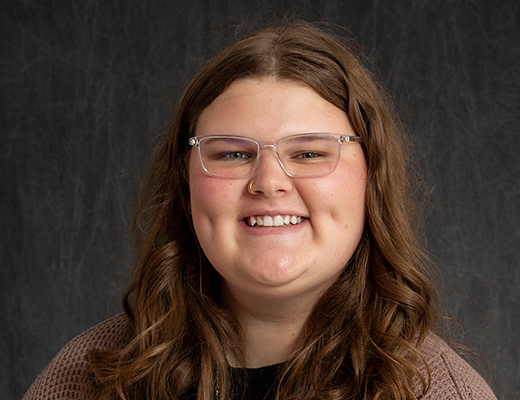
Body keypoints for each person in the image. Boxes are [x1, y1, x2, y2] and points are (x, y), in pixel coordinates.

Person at [23, 21, 497, 400]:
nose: (268, 182)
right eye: (231, 153)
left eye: (309, 152)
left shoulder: (442, 393)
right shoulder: (84, 381)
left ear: (371, 180)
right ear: (186, 187)